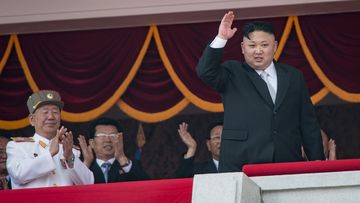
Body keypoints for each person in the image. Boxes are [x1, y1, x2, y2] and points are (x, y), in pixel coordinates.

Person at [196, 11, 325, 172]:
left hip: (287, 162)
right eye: (252, 45)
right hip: (241, 164)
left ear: (275, 46)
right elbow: (205, 71)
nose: (258, 51)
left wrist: (318, 163)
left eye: (264, 45)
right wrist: (221, 37)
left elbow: (308, 124)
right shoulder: (232, 72)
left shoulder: (293, 76)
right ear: (243, 48)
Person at [6, 90, 94, 189]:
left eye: (55, 112)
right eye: (45, 112)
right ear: (32, 120)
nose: (51, 117)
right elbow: (18, 175)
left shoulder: (69, 149)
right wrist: (50, 154)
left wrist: (69, 157)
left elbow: (88, 183)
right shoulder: (17, 146)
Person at [78, 117, 149, 184]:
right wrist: (86, 163)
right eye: (102, 135)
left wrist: (121, 158)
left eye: (112, 136)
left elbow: (146, 186)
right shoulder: (87, 167)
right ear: (92, 143)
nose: (108, 140)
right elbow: (74, 190)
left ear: (120, 140)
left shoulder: (130, 166)